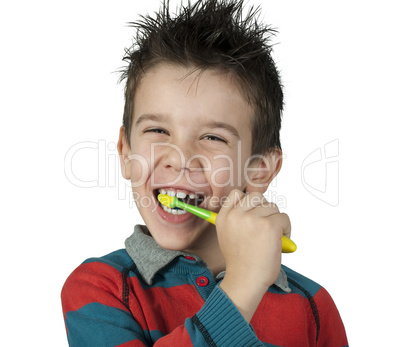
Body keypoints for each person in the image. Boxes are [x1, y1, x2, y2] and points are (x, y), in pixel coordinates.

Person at [61, 0, 348, 345]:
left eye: (213, 137)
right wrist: (243, 284)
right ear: (125, 152)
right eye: (158, 131)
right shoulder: (100, 287)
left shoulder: (312, 306)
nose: (180, 158)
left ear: (258, 169)